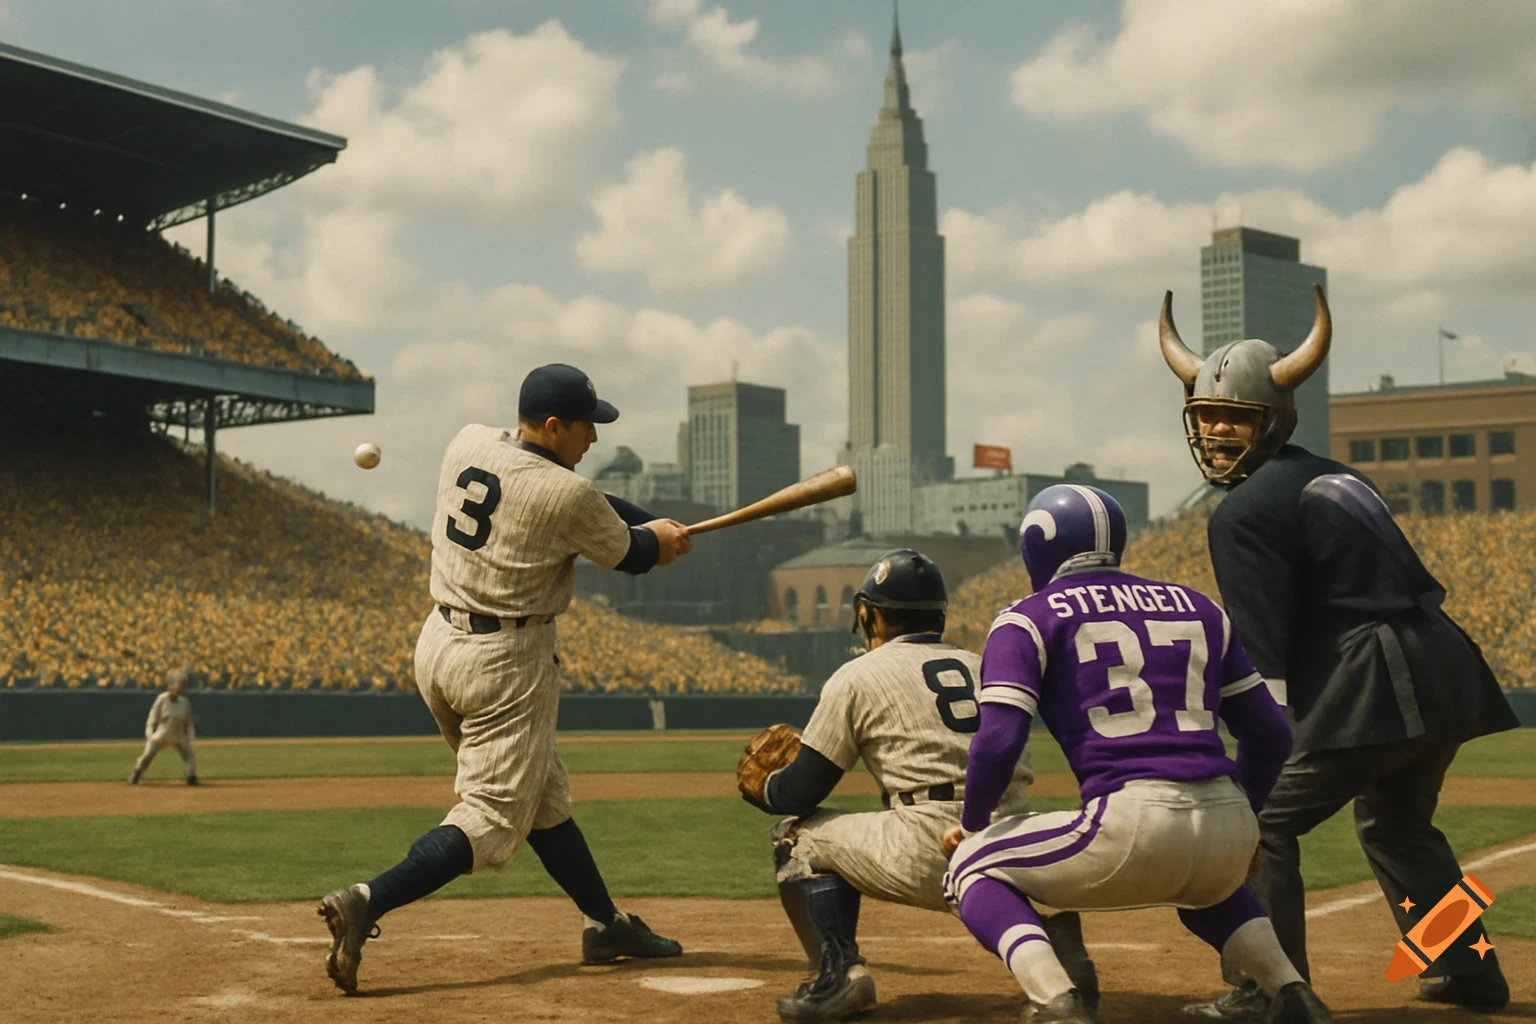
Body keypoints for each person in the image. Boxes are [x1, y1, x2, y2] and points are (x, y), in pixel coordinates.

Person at [1158, 288, 1519, 1019]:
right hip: (1443, 665)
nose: (1221, 433)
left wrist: (1259, 745)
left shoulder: (1242, 511)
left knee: (1263, 824)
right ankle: (1470, 969)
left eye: (1237, 417)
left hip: (1375, 676)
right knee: (1399, 826)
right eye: (1209, 418)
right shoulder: (1334, 473)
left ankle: (1267, 990)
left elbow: (1264, 653)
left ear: (1276, 419)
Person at [316, 363, 694, 994]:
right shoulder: (565, 498)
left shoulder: (471, 440)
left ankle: (606, 924)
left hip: (438, 643)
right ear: (552, 426)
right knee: (490, 816)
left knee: (541, 797)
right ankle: (366, 899)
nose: (592, 440)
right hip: (505, 664)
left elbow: (585, 499)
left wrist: (653, 519)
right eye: (584, 428)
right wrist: (660, 538)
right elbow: (632, 554)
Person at [941, 484, 1331, 1024]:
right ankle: (1290, 990)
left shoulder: (1026, 618)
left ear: (1036, 547)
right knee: (1206, 892)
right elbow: (1271, 735)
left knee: (969, 865)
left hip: (1129, 820)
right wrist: (1246, 815)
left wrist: (974, 823)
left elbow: (1000, 738)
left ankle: (1056, 1000)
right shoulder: (1200, 607)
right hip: (1226, 818)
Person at [744, 549, 1098, 1023]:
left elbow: (801, 794)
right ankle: (1052, 941)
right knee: (998, 870)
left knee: (796, 835)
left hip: (932, 841)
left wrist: (765, 787)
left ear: (870, 614)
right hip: (1015, 836)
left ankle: (839, 977)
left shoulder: (857, 675)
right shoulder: (983, 664)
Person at [128, 669, 198, 785]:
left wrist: (190, 738)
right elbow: (152, 718)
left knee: (190, 754)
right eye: (180, 684)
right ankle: (137, 772)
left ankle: (191, 776)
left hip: (178, 735)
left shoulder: (184, 702)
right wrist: (150, 735)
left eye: (183, 685)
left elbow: (188, 723)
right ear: (172, 685)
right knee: (147, 755)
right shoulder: (162, 699)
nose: (182, 687)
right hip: (162, 735)